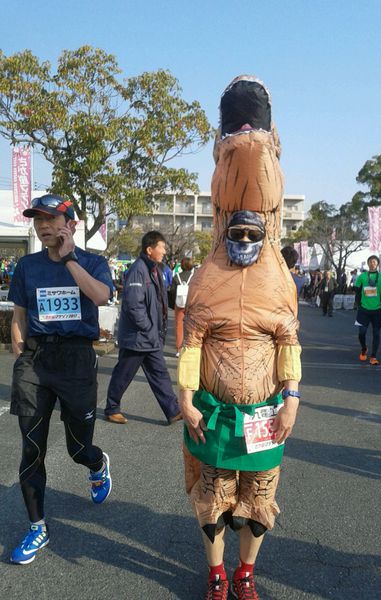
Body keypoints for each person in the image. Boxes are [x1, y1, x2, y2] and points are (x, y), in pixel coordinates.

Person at [179, 76, 301, 600]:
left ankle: (246, 572)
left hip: (264, 414)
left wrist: (293, 398)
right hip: (214, 412)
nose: (246, 239)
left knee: (259, 498)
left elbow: (289, 341)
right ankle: (216, 573)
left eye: (255, 233)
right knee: (214, 498)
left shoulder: (279, 275)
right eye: (238, 233)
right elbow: (191, 342)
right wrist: (185, 398)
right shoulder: (207, 275)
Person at [8, 193, 114, 565]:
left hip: (77, 360)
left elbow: (101, 297)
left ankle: (97, 464)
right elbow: (19, 313)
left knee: (77, 447)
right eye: (38, 220)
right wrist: (21, 352)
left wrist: (69, 259)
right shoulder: (27, 266)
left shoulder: (94, 263)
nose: (44, 226)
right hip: (37, 362)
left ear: (71, 225)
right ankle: (38, 527)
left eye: (52, 219)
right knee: (31, 449)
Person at [104, 231, 181, 425]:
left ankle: (173, 411)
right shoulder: (139, 269)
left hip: (149, 336)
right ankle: (112, 408)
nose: (164, 251)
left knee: (160, 373)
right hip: (138, 337)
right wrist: (148, 327)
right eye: (161, 247)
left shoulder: (155, 268)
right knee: (124, 373)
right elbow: (133, 305)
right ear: (150, 249)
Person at [354, 255, 381, 365]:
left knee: (376, 334)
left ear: (377, 264)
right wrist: (359, 304)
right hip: (364, 309)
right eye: (370, 261)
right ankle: (364, 348)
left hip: (377, 310)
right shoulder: (362, 277)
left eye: (374, 262)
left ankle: (373, 356)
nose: (372, 263)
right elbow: (357, 290)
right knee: (361, 333)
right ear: (368, 263)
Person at [169, 256, 195, 357]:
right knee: (192, 327)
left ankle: (179, 350)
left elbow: (172, 291)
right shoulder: (195, 276)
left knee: (179, 326)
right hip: (192, 305)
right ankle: (190, 347)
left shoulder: (176, 277)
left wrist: (173, 304)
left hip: (179, 304)